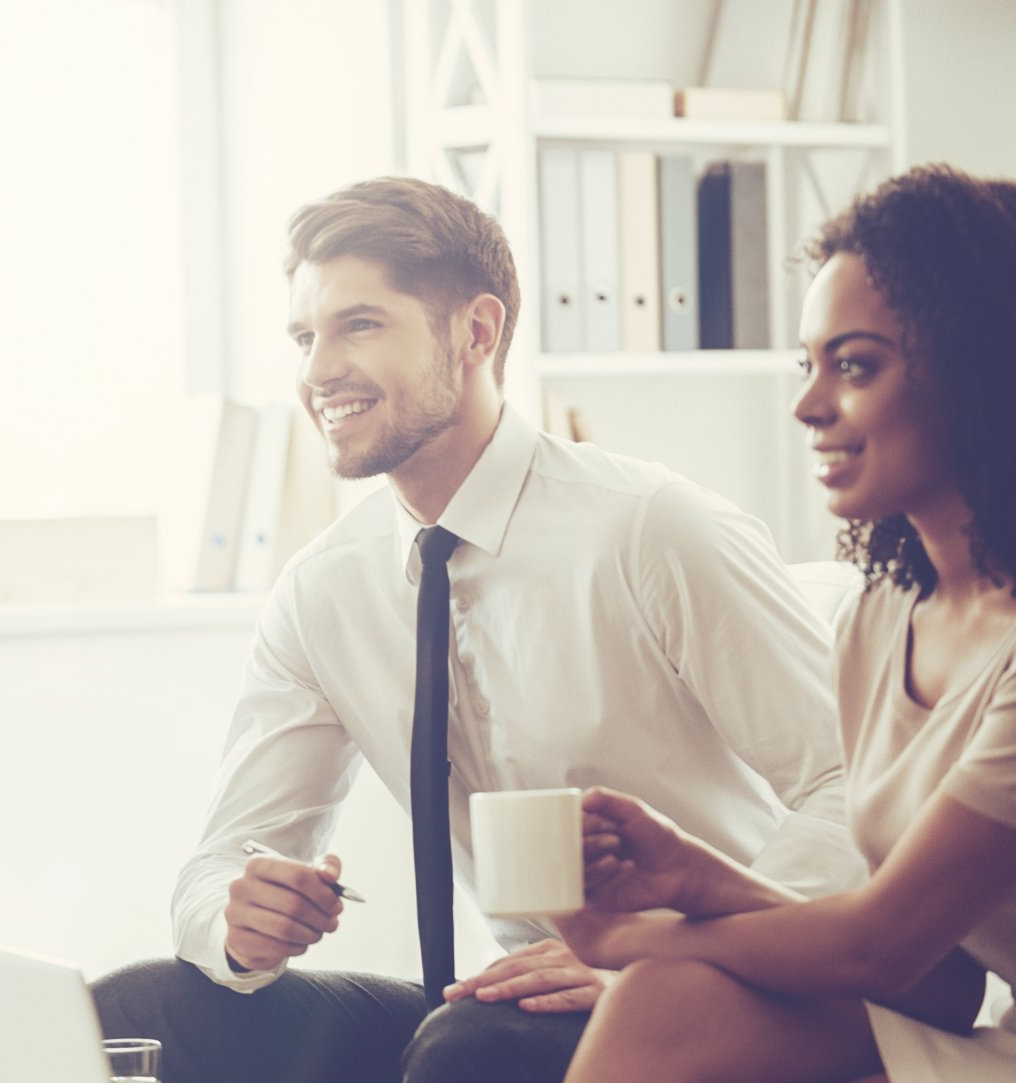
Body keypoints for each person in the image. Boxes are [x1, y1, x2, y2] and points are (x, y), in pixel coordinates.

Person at [90, 176, 866, 1083]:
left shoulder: (648, 525)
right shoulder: (324, 589)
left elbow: (853, 784)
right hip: (521, 997)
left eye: (359, 325)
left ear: (478, 331)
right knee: (135, 1010)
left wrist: (671, 952)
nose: (316, 371)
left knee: (474, 1047)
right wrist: (237, 913)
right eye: (306, 337)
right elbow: (223, 855)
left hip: (731, 984)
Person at [555, 164, 1016, 1083]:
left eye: (854, 365)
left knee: (653, 983)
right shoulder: (882, 621)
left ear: (976, 364)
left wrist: (631, 934)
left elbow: (876, 951)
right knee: (666, 1009)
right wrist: (695, 878)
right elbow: (943, 978)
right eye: (807, 364)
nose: (808, 405)